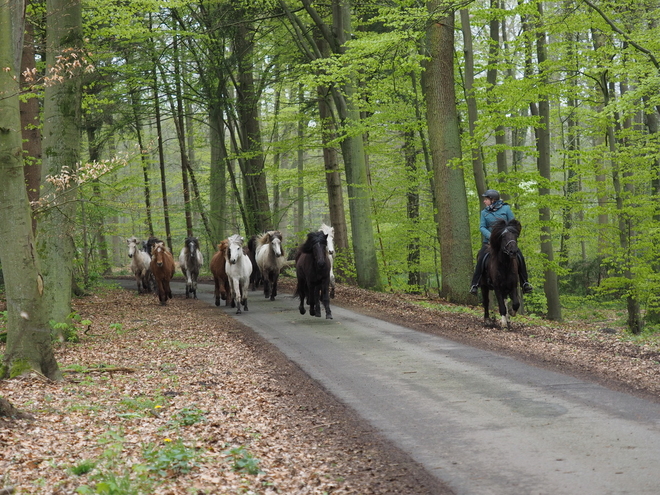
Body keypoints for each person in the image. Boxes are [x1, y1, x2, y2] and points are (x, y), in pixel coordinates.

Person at [469, 189, 533, 295]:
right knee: (481, 257)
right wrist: (492, 237)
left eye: (486, 199)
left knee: (519, 256)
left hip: (506, 241)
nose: (484, 201)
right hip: (490, 242)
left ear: (493, 200)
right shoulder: (484, 213)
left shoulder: (506, 209)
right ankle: (475, 284)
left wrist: (509, 235)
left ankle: (525, 282)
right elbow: (482, 227)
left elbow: (513, 224)